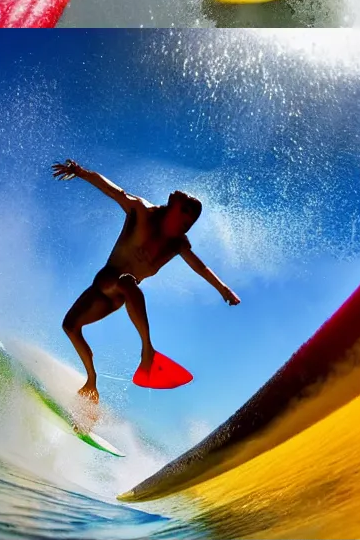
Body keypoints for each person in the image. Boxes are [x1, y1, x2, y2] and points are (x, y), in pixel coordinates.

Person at [52, 159, 238, 402]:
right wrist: (80, 172)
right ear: (172, 206)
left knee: (128, 283)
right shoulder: (141, 212)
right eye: (184, 218)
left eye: (190, 223)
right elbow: (114, 191)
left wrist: (223, 289)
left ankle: (146, 349)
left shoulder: (178, 244)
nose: (186, 226)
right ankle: (91, 380)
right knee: (70, 326)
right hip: (105, 281)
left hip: (121, 296)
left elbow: (199, 266)